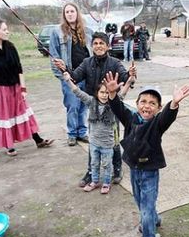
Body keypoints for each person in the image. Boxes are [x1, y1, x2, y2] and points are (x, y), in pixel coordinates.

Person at [104, 71, 189, 237]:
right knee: (140, 201)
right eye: (143, 101)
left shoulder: (158, 123)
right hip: (134, 169)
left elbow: (168, 116)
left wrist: (174, 104)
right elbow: (118, 108)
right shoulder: (130, 118)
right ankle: (154, 219)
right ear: (136, 104)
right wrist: (112, 94)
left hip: (150, 172)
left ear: (158, 108)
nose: (147, 106)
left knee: (146, 206)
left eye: (153, 103)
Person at [53, 31, 137, 186]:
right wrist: (64, 68)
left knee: (114, 139)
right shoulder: (86, 62)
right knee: (94, 140)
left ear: (107, 46)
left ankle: (117, 168)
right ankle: (91, 172)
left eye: (101, 43)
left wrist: (131, 75)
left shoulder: (115, 62)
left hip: (113, 107)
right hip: (94, 107)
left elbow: (126, 78)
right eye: (96, 44)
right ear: (92, 46)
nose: (98, 46)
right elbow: (74, 77)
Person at [0, 18, 54, 156]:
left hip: (15, 88)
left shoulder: (10, 47)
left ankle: (38, 140)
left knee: (24, 114)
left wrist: (23, 88)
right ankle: (9, 145)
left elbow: (19, 69)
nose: (8, 32)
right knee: (5, 117)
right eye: (4, 29)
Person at [63, 71, 134, 194]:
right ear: (97, 93)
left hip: (107, 144)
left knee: (107, 165)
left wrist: (129, 80)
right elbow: (78, 92)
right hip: (94, 143)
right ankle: (94, 181)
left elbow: (123, 93)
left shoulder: (114, 104)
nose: (105, 95)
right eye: (102, 92)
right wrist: (68, 80)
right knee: (94, 164)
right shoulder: (91, 102)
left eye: (107, 92)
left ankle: (106, 183)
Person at [49, 2, 93, 146]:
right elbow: (54, 56)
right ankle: (72, 133)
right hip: (69, 76)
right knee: (72, 106)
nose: (70, 14)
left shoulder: (87, 31)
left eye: (72, 11)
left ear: (77, 13)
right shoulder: (57, 32)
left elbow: (92, 51)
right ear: (64, 15)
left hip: (86, 75)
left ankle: (82, 132)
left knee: (84, 105)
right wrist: (63, 76)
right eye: (67, 12)